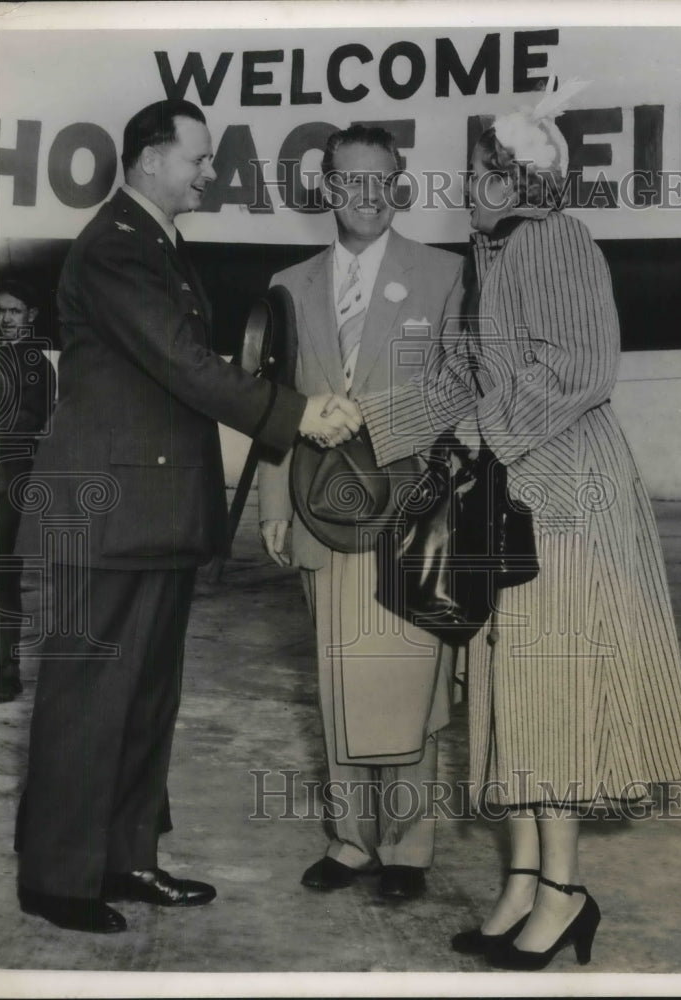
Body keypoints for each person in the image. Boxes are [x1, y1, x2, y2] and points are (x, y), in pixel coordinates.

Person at [357, 101, 681, 967]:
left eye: (476, 174)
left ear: (511, 182)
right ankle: (520, 879)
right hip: (514, 500)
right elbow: (460, 378)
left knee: (553, 700)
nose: (464, 187)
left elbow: (582, 366)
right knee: (510, 695)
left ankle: (564, 892)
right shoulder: (495, 253)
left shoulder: (554, 239)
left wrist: (483, 430)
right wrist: (360, 425)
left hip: (567, 499)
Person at [13, 99, 360, 935]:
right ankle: (58, 881)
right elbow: (182, 361)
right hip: (103, 516)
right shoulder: (115, 248)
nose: (209, 174)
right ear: (148, 159)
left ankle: (128, 859)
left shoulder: (155, 244)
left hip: (151, 514)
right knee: (88, 700)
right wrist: (297, 414)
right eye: (198, 160)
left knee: (145, 698)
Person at [257, 125, 463, 900]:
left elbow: (458, 392)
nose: (367, 196)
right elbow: (274, 406)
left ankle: (409, 848)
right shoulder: (289, 283)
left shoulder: (443, 276)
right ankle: (352, 842)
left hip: (409, 516)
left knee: (411, 683)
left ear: (399, 185)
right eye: (351, 182)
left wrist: (373, 416)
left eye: (382, 181)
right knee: (339, 674)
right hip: (318, 511)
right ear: (327, 188)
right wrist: (273, 506)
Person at [0, 277, 56, 702]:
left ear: (31, 316)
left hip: (9, 481)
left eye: (14, 311)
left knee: (1, 577)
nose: (5, 319)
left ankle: (3, 671)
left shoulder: (38, 364)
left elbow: (28, 421)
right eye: (0, 310)